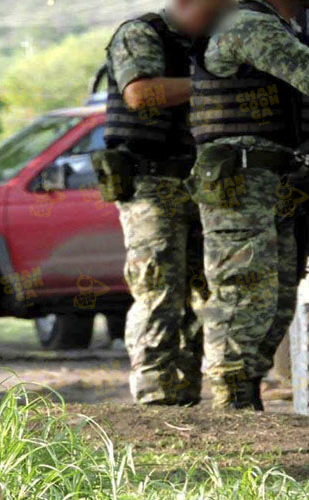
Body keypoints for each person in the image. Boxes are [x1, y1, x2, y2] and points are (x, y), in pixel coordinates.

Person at [99, 0, 232, 406]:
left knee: (201, 289)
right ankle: (156, 393)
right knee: (158, 287)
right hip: (149, 180)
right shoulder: (141, 33)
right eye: (217, 8)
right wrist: (217, 84)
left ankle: (185, 389)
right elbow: (140, 93)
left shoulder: (207, 41)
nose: (225, 15)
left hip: (199, 179)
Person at [189, 0, 309, 409]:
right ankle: (231, 409)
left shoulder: (278, 27)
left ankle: (245, 397)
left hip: (276, 182)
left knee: (276, 299)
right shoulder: (248, 24)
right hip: (241, 181)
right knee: (242, 291)